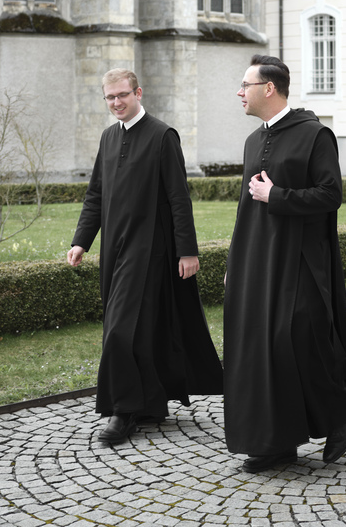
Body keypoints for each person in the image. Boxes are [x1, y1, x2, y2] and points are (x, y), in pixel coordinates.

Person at [223, 54, 346, 473]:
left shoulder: (315, 135)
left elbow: (331, 195)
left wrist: (277, 196)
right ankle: (276, 444)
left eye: (245, 85)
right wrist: (235, 262)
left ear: (269, 88)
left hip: (300, 261)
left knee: (294, 340)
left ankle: (341, 407)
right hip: (258, 262)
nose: (239, 93)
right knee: (262, 351)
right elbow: (246, 209)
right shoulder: (252, 141)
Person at [67, 68, 222, 445]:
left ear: (138, 93)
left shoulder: (162, 136)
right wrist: (81, 241)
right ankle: (150, 403)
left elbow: (179, 198)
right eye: (110, 97)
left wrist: (187, 250)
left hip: (151, 249)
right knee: (143, 329)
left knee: (120, 330)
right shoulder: (108, 137)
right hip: (114, 250)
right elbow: (95, 195)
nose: (116, 102)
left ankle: (123, 410)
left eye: (122, 94)